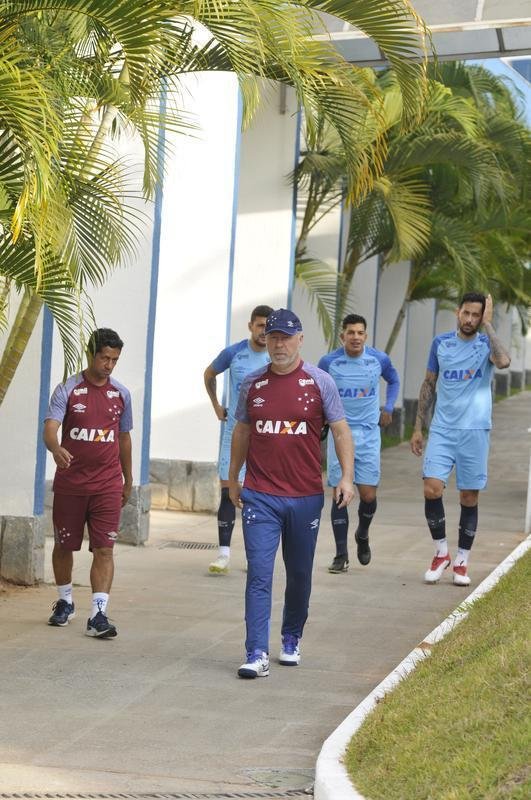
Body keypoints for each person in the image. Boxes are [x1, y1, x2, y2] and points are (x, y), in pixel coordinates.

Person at [229, 308, 354, 678]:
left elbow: (341, 430)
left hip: (304, 496)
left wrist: (346, 477)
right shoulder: (252, 384)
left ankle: (291, 637)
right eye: (273, 337)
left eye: (286, 338)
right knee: (259, 573)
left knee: (299, 574)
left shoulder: (319, 382)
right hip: (260, 494)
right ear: (265, 340)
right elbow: (242, 430)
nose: (279, 345)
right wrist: (233, 477)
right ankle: (256, 652)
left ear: (300, 340)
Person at [410, 293, 511, 586]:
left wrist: (489, 326)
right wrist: (418, 427)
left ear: (482, 317)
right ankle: (441, 553)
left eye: (476, 315)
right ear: (458, 312)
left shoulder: (486, 344)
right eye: (466, 313)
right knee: (431, 488)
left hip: (475, 430)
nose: (469, 319)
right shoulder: (440, 343)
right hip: (442, 429)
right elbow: (429, 384)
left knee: (469, 496)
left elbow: (504, 361)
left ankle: (462, 560)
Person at [44, 328, 133, 638]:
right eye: (104, 358)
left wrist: (128, 479)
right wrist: (56, 448)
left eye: (115, 360)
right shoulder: (68, 389)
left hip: (107, 485)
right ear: (91, 354)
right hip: (71, 485)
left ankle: (98, 614)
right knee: (63, 546)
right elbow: (50, 428)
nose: (109, 365)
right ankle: (65, 601)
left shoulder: (121, 394)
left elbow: (124, 438)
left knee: (105, 549)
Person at [318, 314, 400, 573]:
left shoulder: (378, 359)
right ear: (342, 335)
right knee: (339, 493)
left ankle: (362, 533)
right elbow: (316, 390)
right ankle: (341, 555)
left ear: (366, 335)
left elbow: (394, 380)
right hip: (339, 433)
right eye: (351, 332)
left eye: (360, 333)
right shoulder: (329, 362)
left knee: (368, 495)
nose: (355, 337)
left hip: (368, 433)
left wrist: (389, 407)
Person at [203, 304, 273, 574]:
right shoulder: (234, 353)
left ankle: (256, 556)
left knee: (258, 498)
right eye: (260, 325)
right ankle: (223, 555)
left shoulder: (276, 356)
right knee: (228, 491)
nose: (264, 331)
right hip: (234, 434)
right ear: (250, 326)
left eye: (268, 326)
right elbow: (209, 373)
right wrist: (216, 406)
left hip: (264, 438)